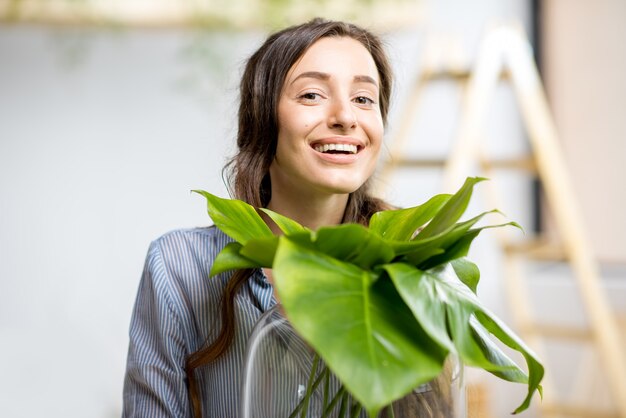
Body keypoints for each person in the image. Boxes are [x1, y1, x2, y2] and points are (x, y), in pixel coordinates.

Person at [122, 18, 394, 417]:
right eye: (313, 95)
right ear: (263, 117)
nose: (345, 117)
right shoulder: (179, 267)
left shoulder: (411, 269)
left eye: (364, 99)